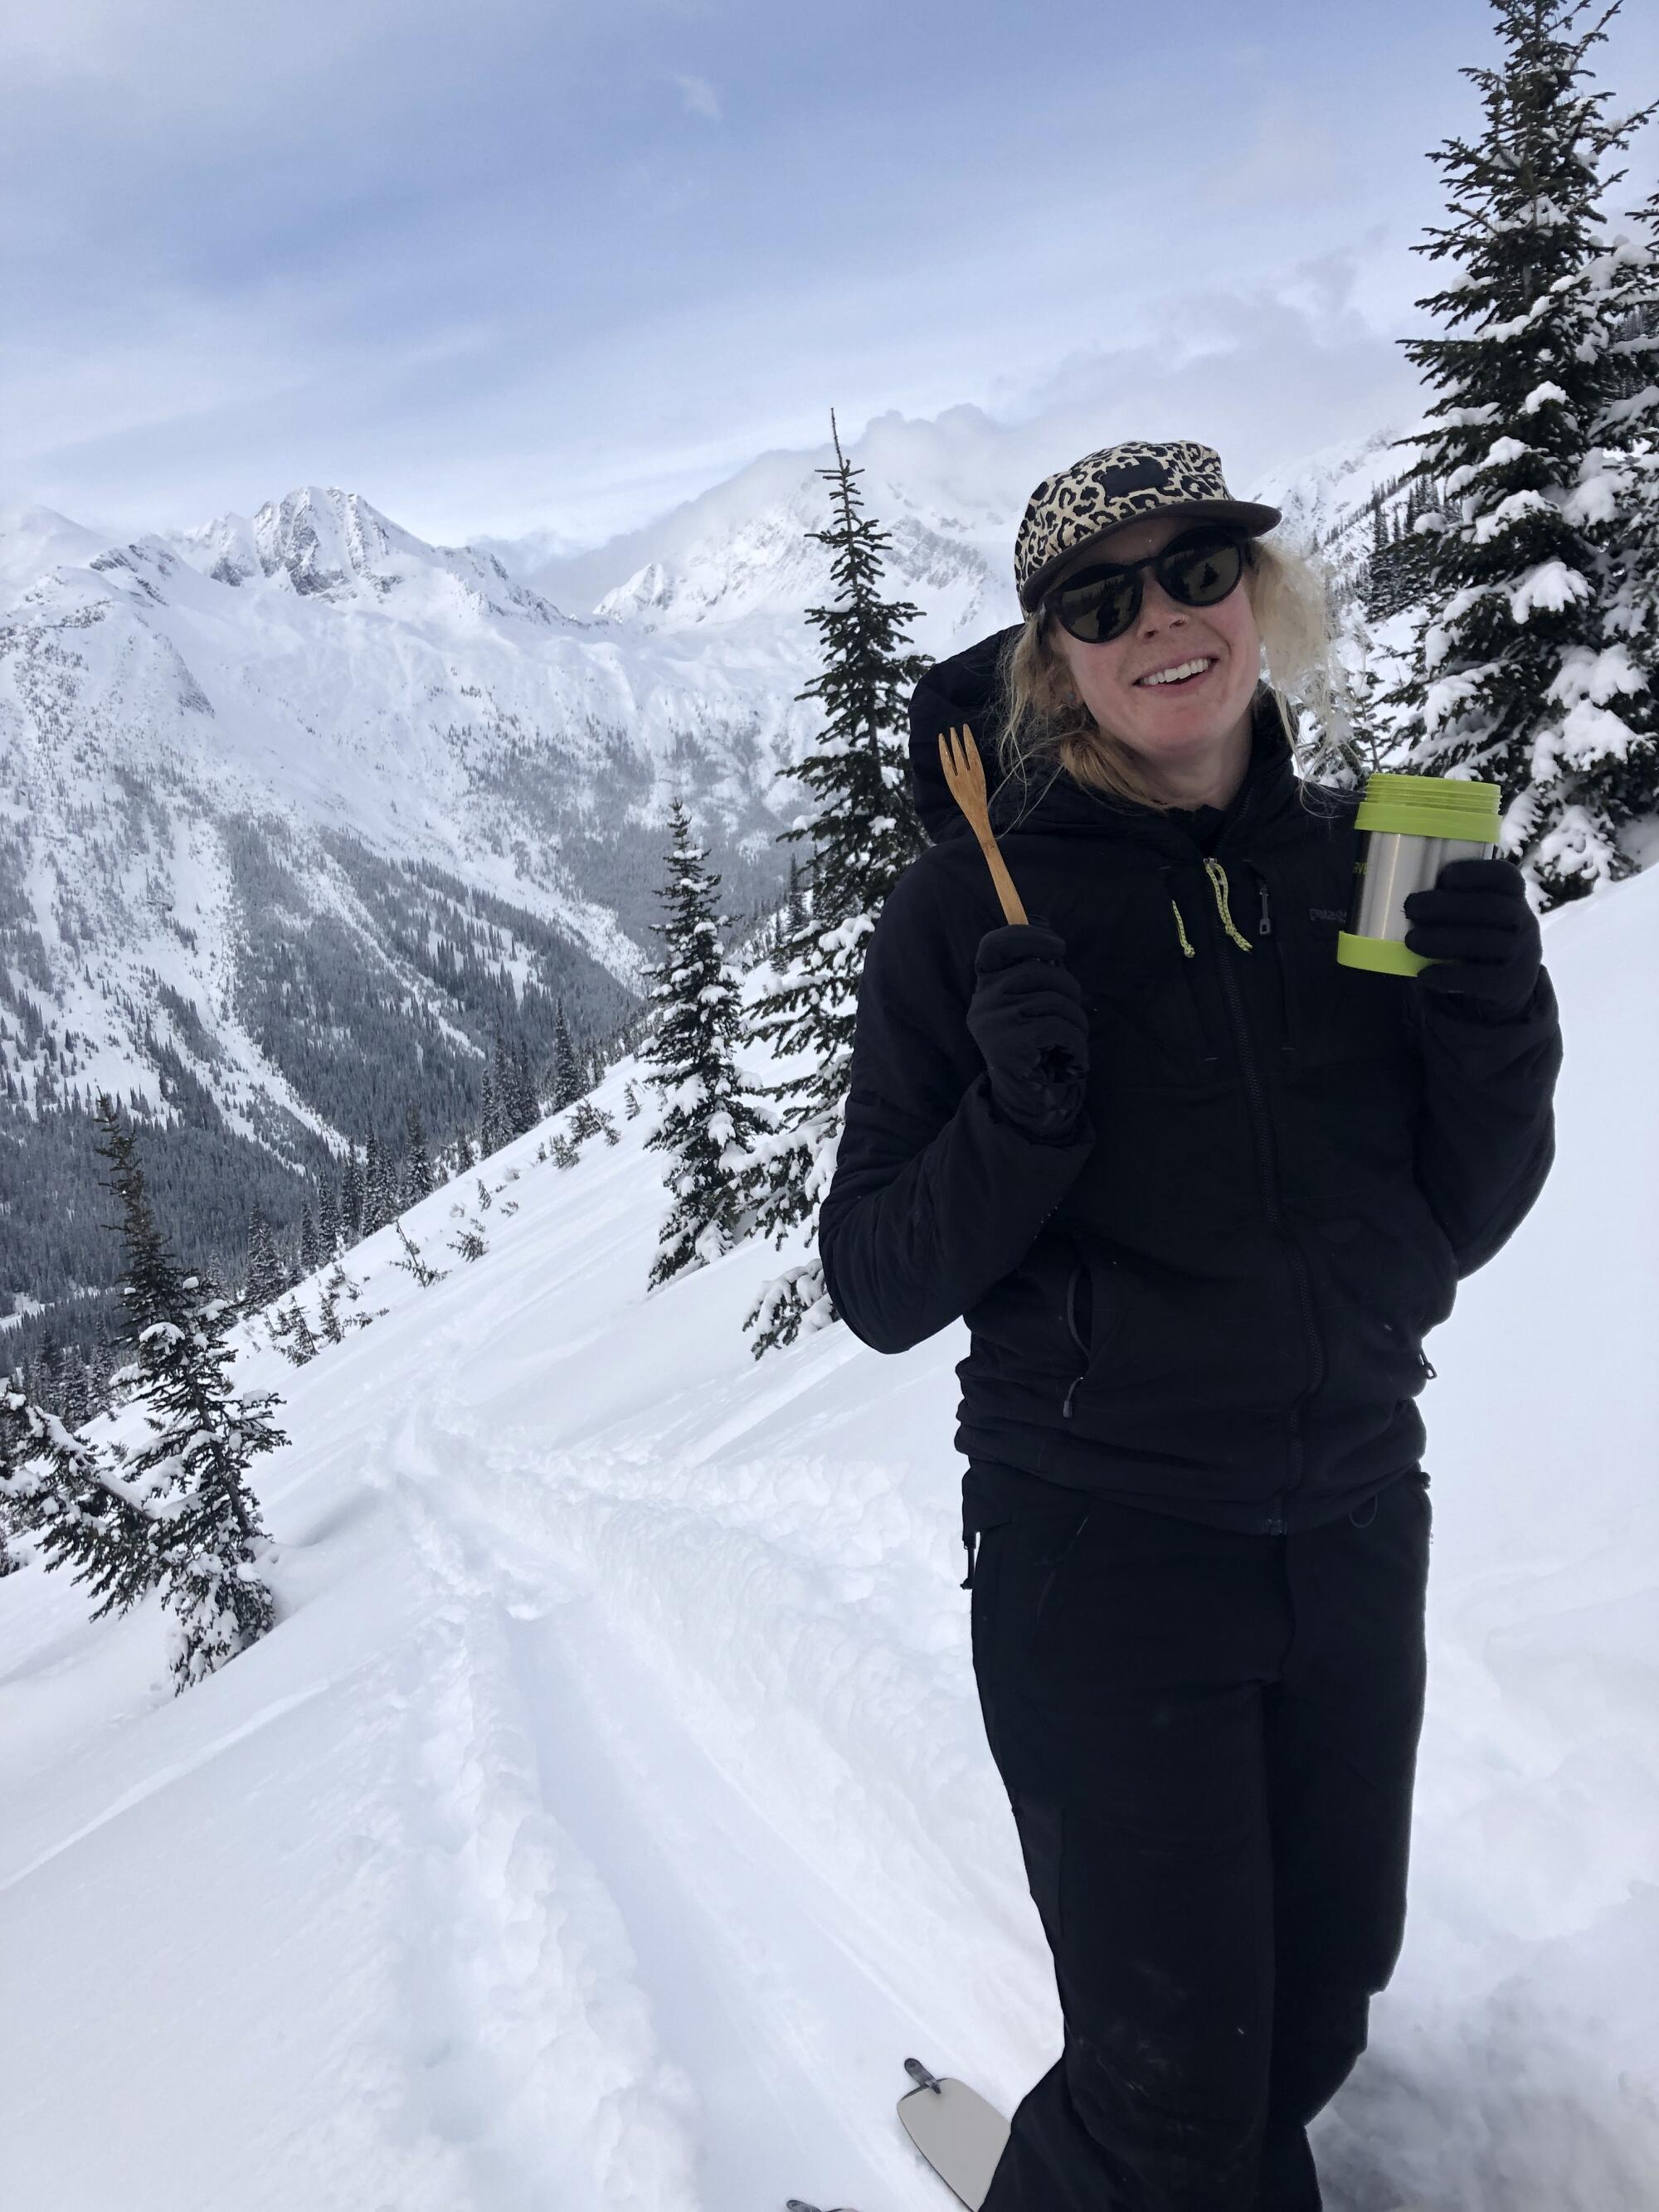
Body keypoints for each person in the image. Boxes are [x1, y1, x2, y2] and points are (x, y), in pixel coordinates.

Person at [816, 440, 1563, 2212]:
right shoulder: (970, 911)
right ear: (1049, 656)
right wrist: (1016, 1120)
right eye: (1102, 599)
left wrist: (1497, 1030)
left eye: (1198, 570)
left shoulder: (1376, 859)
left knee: (1310, 2017)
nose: (1162, 618)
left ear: (1260, 589)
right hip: (1106, 1539)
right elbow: (876, 1282)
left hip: (1355, 1509)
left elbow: (1449, 1211)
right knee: (1178, 2089)